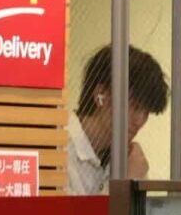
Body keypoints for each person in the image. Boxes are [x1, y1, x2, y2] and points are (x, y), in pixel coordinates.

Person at [67, 44, 170, 195]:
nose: (140, 121)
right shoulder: (58, 149)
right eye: (134, 106)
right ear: (100, 95)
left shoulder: (127, 158)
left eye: (146, 112)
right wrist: (126, 185)